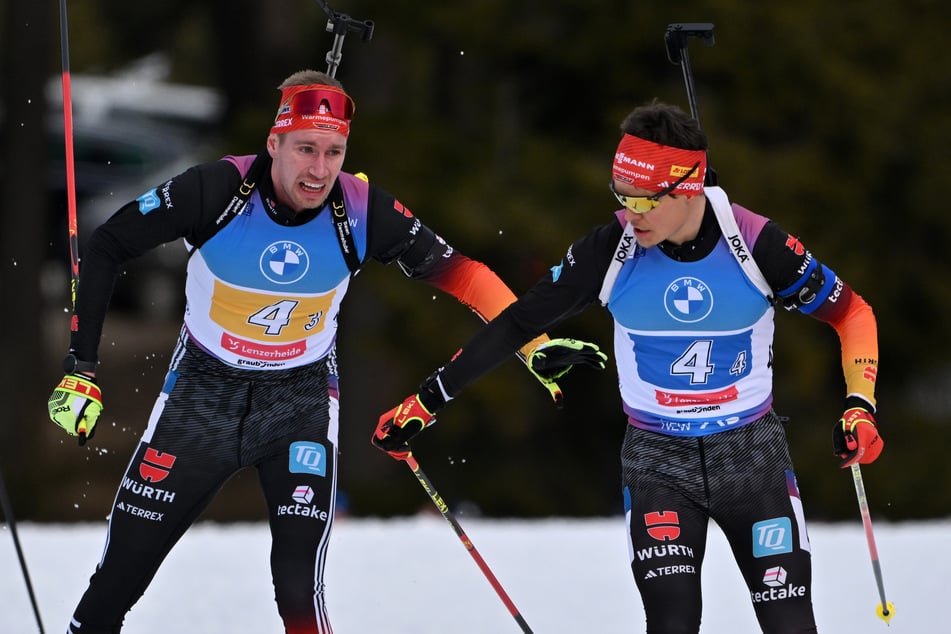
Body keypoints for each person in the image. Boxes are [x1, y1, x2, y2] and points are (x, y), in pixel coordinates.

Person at [45, 69, 601, 634]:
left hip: (300, 397)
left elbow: (466, 274)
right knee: (119, 575)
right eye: (306, 149)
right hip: (202, 391)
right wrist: (81, 369)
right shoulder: (215, 190)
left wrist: (535, 344)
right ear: (274, 143)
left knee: (298, 586)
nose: (319, 169)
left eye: (334, 152)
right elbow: (109, 241)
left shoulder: (362, 210)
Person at [372, 100, 884, 633]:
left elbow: (853, 312)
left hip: (749, 453)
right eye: (622, 194)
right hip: (658, 459)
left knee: (789, 622)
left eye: (644, 199)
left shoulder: (758, 244)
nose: (631, 212)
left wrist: (859, 404)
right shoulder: (608, 250)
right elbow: (515, 323)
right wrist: (429, 400)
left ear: (688, 188)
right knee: (671, 621)